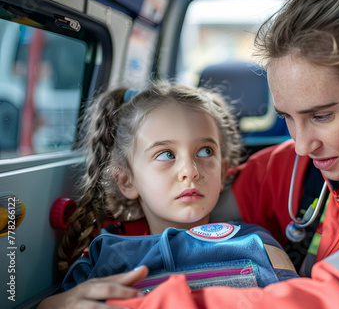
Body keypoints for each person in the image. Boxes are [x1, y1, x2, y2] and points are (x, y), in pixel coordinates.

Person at [40, 0, 339, 308]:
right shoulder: (293, 170)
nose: (301, 146)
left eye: (321, 116)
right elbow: (179, 218)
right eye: (287, 118)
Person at [38, 83, 298, 308]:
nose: (190, 171)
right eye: (166, 155)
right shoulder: (102, 258)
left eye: (206, 152)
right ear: (127, 180)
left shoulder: (257, 244)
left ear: (223, 169)